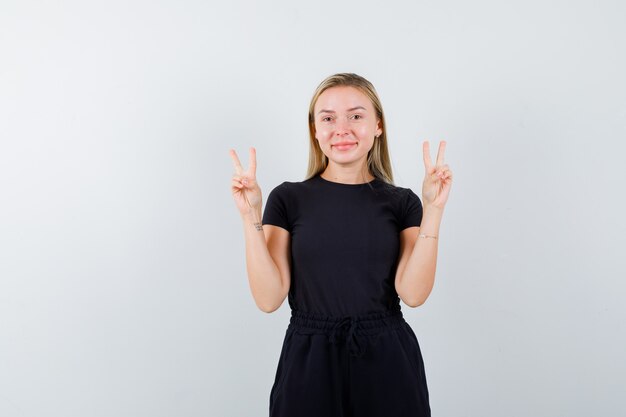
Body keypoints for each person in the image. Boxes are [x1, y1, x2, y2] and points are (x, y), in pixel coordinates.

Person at [229, 73, 452, 417]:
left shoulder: (402, 203)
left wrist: (433, 210)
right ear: (315, 130)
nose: (341, 129)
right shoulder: (288, 199)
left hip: (386, 362)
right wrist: (250, 216)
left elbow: (413, 294)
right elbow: (268, 298)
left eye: (356, 116)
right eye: (328, 118)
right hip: (309, 362)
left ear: (378, 125)